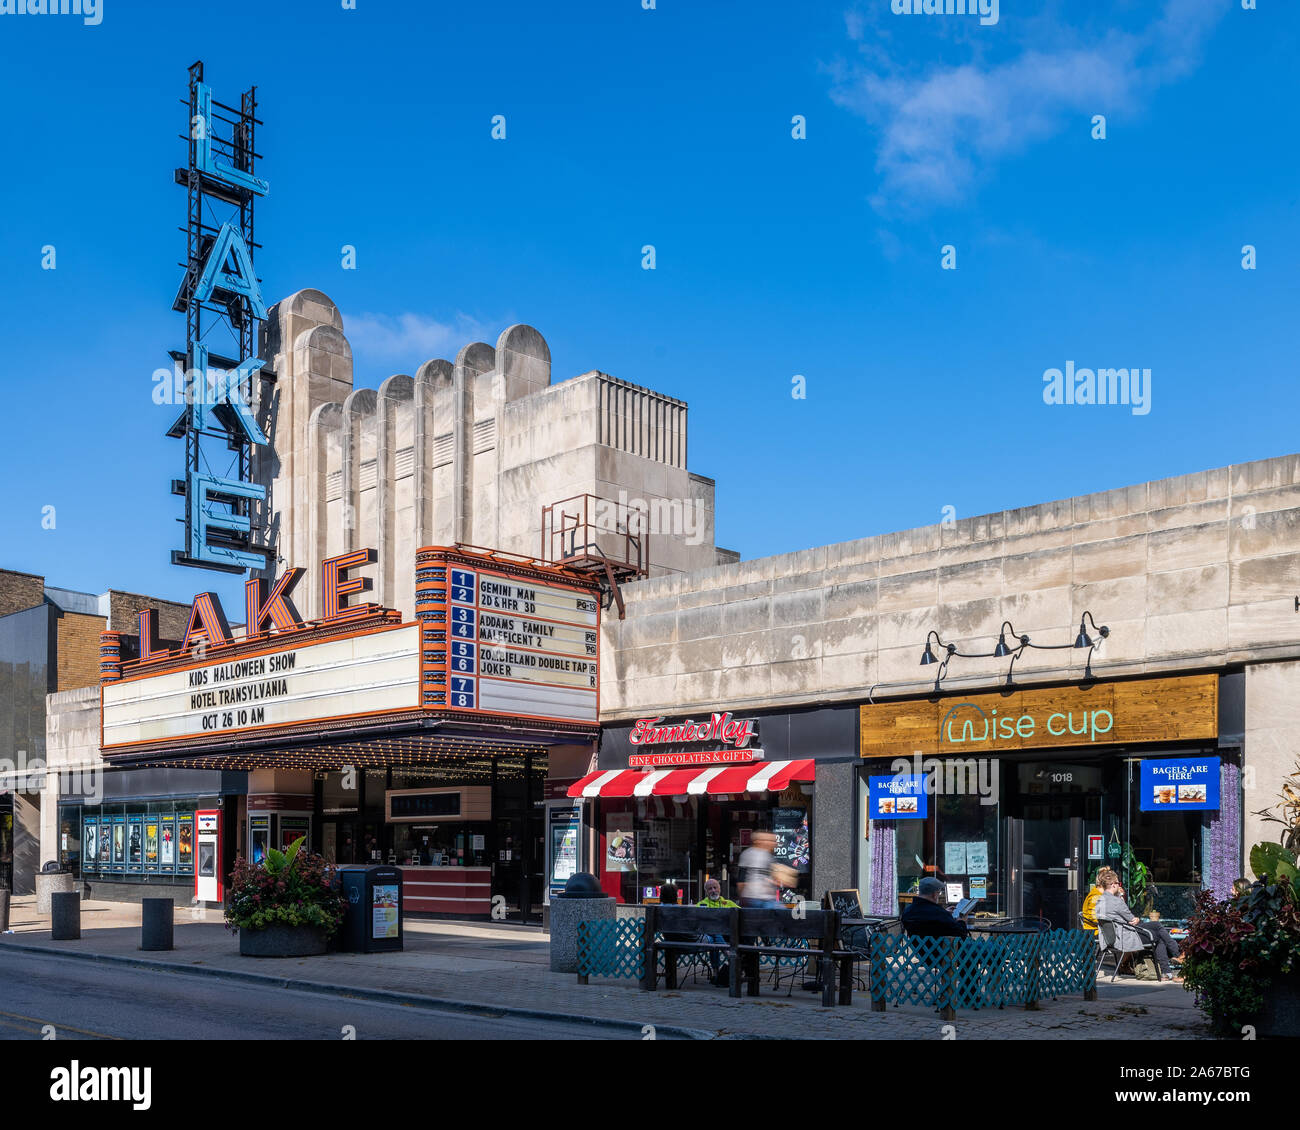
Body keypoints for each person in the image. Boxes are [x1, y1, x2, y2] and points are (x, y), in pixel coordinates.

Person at [1095, 877, 1158, 975]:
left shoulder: (1100, 900)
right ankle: (1166, 968)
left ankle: (1169, 967)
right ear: (1113, 884)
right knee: (1157, 933)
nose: (1119, 886)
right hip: (1123, 937)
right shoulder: (1117, 901)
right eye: (1118, 883)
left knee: (1156, 926)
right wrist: (1135, 919)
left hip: (1109, 937)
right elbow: (1131, 919)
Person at [697, 878, 739, 984]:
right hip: (709, 935)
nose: (713, 890)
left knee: (715, 938)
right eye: (710, 889)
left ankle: (715, 972)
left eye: (715, 887)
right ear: (706, 892)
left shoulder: (728, 903)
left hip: (729, 935)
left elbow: (742, 913)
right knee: (714, 937)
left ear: (720, 889)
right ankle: (726, 954)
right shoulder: (701, 904)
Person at [900, 877, 970, 938]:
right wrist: (962, 920)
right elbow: (961, 935)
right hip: (946, 951)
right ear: (934, 894)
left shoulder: (908, 911)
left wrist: (944, 912)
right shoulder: (938, 913)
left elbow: (927, 916)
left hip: (921, 950)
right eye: (938, 893)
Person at [737, 832, 781, 909]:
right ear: (758, 841)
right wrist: (743, 898)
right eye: (770, 840)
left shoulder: (770, 856)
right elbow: (741, 879)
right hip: (754, 898)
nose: (774, 843)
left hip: (767, 898)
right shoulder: (748, 854)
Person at [1142, 909, 1183, 981]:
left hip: (1130, 927)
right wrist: (1135, 919)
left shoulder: (1118, 900)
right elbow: (1129, 918)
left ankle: (1166, 973)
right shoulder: (1118, 901)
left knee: (1160, 938)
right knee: (1157, 925)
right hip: (1129, 929)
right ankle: (1179, 955)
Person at [1081, 867, 1116, 933]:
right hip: (1095, 931)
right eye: (1115, 883)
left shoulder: (1101, 894)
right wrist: (1110, 921)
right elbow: (1093, 917)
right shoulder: (1096, 896)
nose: (1115, 886)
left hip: (1102, 929)